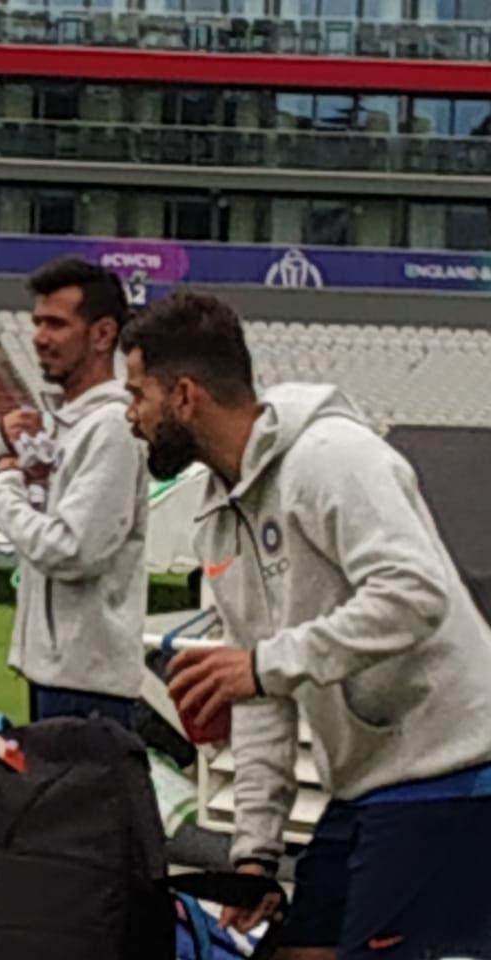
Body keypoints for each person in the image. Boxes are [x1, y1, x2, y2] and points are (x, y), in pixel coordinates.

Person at [121, 291, 491, 960]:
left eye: (138, 395)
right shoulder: (219, 514)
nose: (130, 417)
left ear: (183, 396)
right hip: (371, 790)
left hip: (452, 779)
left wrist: (262, 665)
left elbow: (415, 592)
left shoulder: (333, 455)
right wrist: (255, 854)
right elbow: (258, 692)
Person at [0, 256, 148, 727]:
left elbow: (72, 551)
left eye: (57, 324)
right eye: (37, 322)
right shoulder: (64, 424)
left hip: (89, 684)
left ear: (103, 334)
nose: (40, 337)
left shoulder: (113, 429)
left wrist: (8, 484)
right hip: (52, 673)